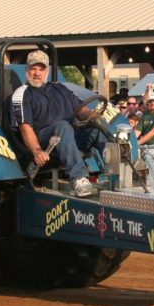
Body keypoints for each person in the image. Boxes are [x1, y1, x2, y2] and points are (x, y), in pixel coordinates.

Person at [10, 50, 105, 198]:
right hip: (45, 143)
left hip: (69, 137)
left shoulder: (60, 89)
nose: (37, 73)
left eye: (41, 69)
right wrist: (36, 151)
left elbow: (82, 110)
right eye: (33, 69)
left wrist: (95, 117)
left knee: (97, 126)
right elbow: (25, 127)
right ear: (27, 70)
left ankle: (115, 171)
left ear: (47, 70)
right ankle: (78, 179)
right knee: (62, 126)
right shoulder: (22, 93)